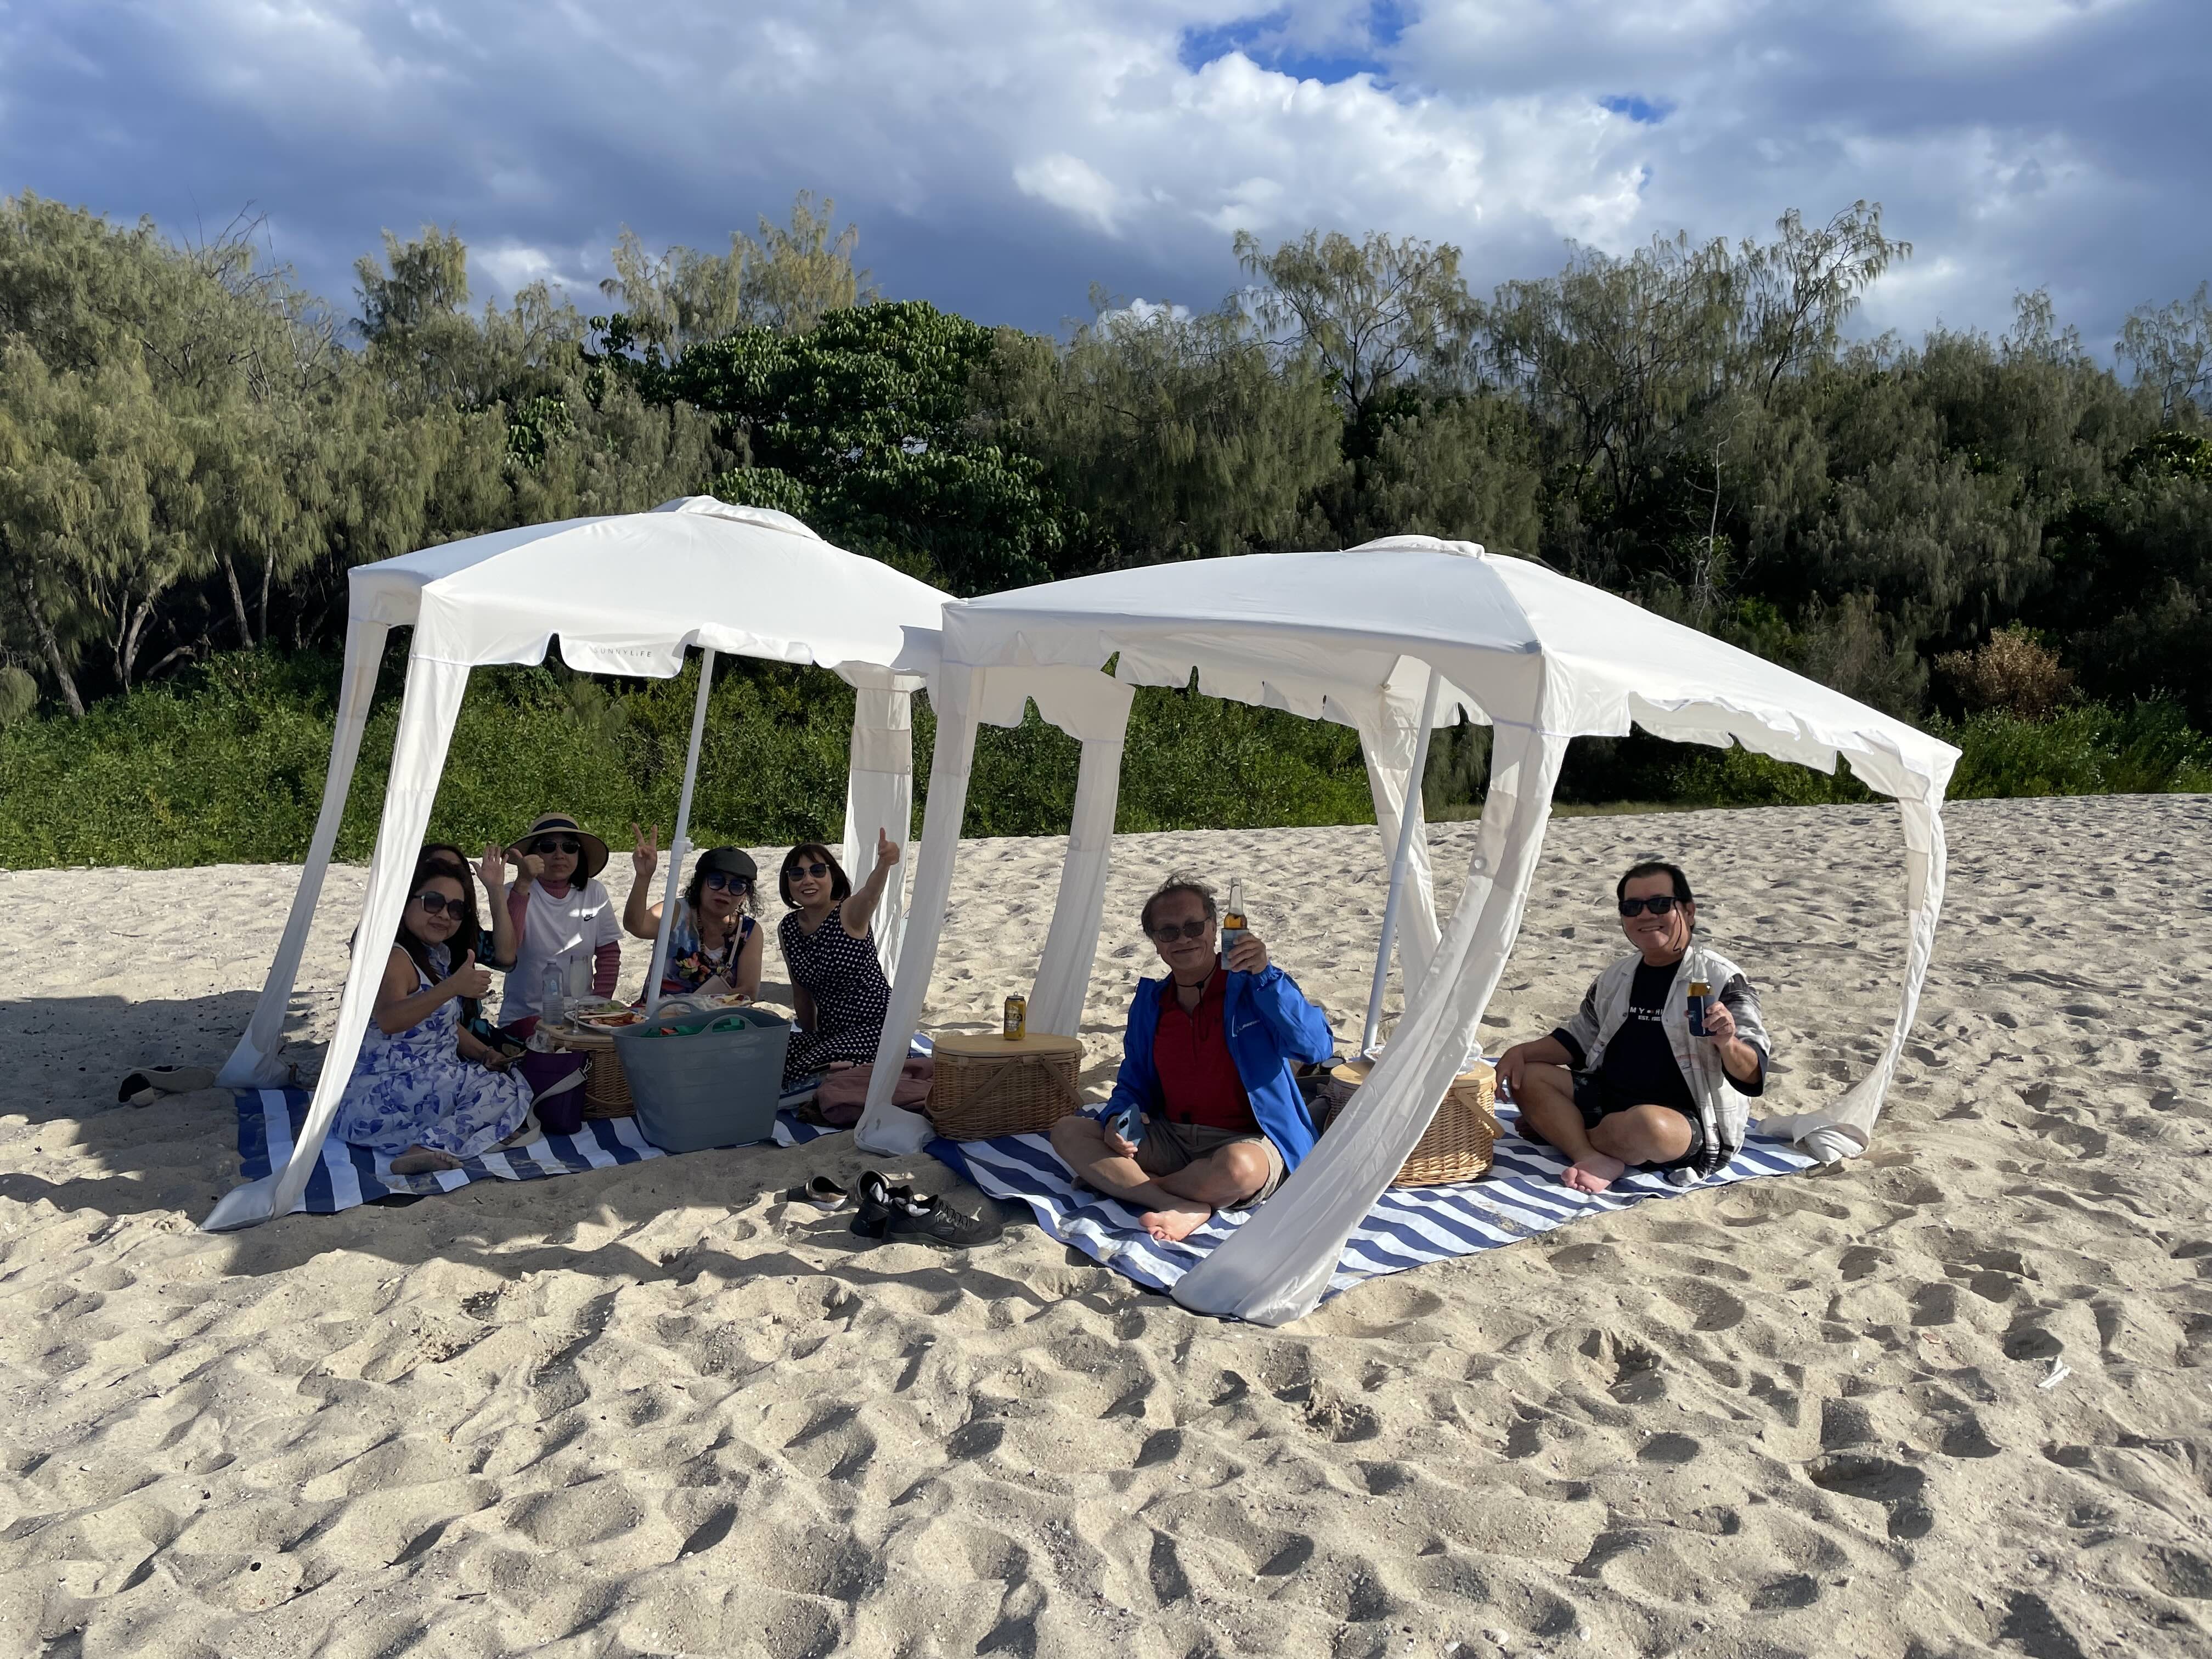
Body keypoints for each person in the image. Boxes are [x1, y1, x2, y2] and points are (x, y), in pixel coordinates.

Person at [1049, 876, 1336, 1244]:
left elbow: (1316, 1047)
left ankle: (1132, 1185)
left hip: (1248, 1138)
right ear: (1155, 943)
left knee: (1238, 1170)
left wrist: (1267, 977)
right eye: (1168, 932)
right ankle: (1178, 1201)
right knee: (1069, 1131)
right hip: (1173, 1138)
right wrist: (1117, 1122)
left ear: (1215, 928)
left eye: (1193, 927)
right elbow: (1133, 1085)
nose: (1183, 939)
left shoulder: (1256, 985)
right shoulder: (1152, 1004)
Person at [1495, 860, 1771, 1194]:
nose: (1645, 915)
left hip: (1683, 1120)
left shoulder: (1720, 979)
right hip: (1608, 1098)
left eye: (1659, 904)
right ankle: (1589, 1154)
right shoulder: (1616, 977)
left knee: (1647, 1126)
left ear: (1688, 911)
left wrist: (1728, 1043)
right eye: (1632, 907)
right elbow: (1579, 1038)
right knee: (1530, 1075)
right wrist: (1520, 1052)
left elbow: (1754, 1074)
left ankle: (1567, 1132)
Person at [335, 854, 535, 1174]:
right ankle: (423, 1148)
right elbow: (390, 1020)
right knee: (500, 1092)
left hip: (416, 1079)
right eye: (433, 903)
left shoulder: (432, 954)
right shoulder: (392, 956)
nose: (445, 915)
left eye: (456, 909)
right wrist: (452, 987)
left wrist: (485, 1053)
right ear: (405, 902)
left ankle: (427, 1140)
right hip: (379, 1090)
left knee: (504, 1081)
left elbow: (445, 1026)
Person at [777, 832, 898, 1083]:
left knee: (800, 1073)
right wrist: (810, 1038)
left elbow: (870, 894)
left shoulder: (848, 912)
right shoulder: (789, 927)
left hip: (878, 1029)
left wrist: (884, 864)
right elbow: (800, 992)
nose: (807, 880)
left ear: (833, 876)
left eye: (818, 871)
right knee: (770, 1055)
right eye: (797, 874)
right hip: (832, 1034)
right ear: (788, 884)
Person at [496, 813, 622, 1034]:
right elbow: (507, 953)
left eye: (570, 847)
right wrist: (523, 883)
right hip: (526, 1018)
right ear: (532, 855)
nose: (559, 854)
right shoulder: (513, 892)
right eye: (547, 847)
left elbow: (609, 955)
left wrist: (598, 1009)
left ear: (579, 854)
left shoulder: (595, 892)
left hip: (579, 1017)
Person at [622, 825, 764, 1001]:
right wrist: (643, 877)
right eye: (716, 881)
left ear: (745, 896)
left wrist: (692, 1006)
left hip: (716, 1021)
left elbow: (749, 991)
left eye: (737, 886)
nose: (725, 891)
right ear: (699, 884)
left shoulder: (748, 931)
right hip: (659, 1017)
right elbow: (635, 926)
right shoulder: (677, 912)